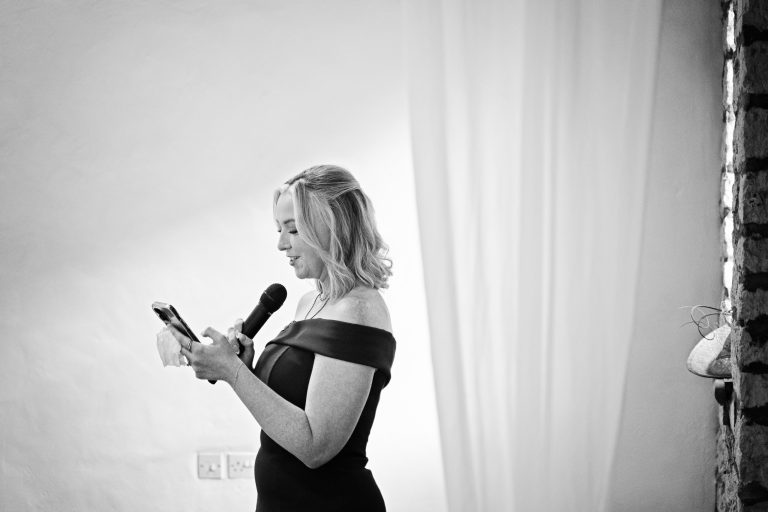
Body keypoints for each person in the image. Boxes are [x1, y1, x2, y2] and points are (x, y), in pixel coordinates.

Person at [166, 164, 395, 511]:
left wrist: (232, 372)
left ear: (330, 227)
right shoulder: (310, 302)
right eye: (279, 229)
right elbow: (291, 409)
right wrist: (241, 366)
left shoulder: (358, 310)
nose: (280, 244)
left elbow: (315, 446)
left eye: (292, 230)